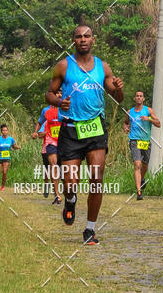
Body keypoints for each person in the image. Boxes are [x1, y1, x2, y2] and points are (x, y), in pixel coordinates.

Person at [45, 25, 124, 245]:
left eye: (87, 36)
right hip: (71, 129)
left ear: (93, 40)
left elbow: (117, 98)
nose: (83, 39)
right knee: (70, 182)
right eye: (79, 36)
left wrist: (118, 88)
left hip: (95, 128)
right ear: (74, 41)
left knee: (96, 179)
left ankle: (90, 229)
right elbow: (49, 93)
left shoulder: (102, 67)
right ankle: (70, 199)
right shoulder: (63, 66)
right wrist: (59, 101)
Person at [122, 90, 161, 200]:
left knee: (144, 166)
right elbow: (125, 122)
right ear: (134, 98)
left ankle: (141, 179)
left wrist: (149, 118)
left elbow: (158, 124)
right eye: (137, 96)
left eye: (141, 96)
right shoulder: (130, 112)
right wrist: (125, 127)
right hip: (134, 140)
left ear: (143, 99)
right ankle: (139, 192)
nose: (139, 97)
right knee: (137, 164)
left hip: (145, 141)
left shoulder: (148, 110)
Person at [40, 102, 63, 205]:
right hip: (49, 146)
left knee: (60, 170)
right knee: (50, 169)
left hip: (62, 145)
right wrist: (43, 133)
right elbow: (40, 134)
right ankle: (54, 192)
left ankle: (59, 192)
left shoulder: (64, 118)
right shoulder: (47, 119)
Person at [0, 124, 20, 190]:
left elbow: (13, 146)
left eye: (6, 130)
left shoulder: (10, 139)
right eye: (3, 130)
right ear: (1, 131)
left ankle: (2, 186)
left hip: (7, 157)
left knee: (5, 172)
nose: (5, 132)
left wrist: (18, 147)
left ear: (7, 131)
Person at [33, 105, 51, 198]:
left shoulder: (62, 117)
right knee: (47, 169)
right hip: (47, 148)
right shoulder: (46, 120)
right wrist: (49, 132)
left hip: (61, 148)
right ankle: (46, 185)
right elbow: (40, 134)